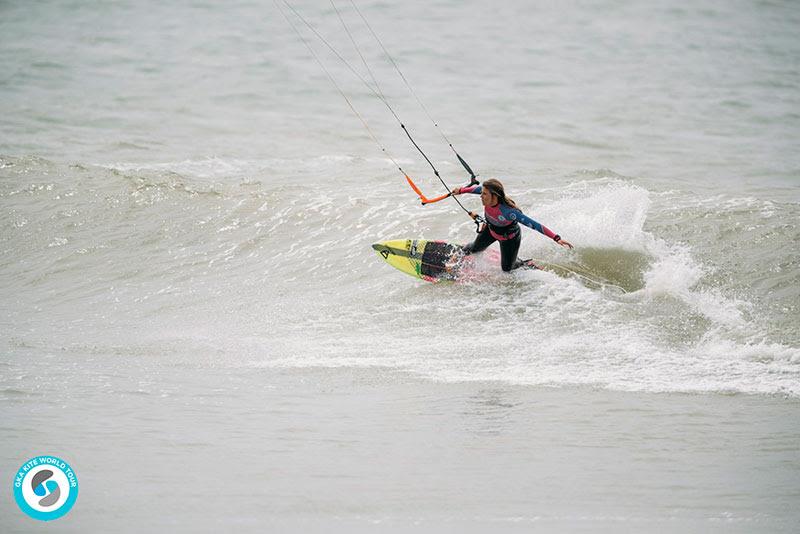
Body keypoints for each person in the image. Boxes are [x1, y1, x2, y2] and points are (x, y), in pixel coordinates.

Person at [451, 178, 573, 271]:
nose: (481, 196)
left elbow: (535, 225)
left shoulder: (509, 212)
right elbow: (475, 189)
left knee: (507, 269)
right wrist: (460, 190)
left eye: (484, 194)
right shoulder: (487, 196)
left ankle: (523, 263)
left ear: (495, 196)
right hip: (491, 231)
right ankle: (455, 260)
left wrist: (556, 238)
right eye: (482, 193)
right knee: (472, 249)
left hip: (509, 239)